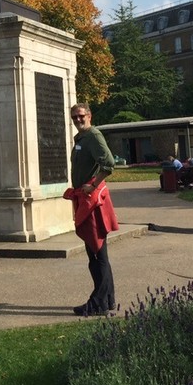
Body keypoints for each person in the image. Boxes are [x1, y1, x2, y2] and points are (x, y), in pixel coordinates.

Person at [66, 103, 118, 317]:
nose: (77, 120)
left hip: (92, 201)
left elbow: (109, 164)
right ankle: (107, 300)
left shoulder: (93, 136)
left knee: (98, 254)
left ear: (89, 115)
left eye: (80, 116)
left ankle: (97, 302)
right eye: (74, 117)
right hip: (84, 198)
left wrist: (93, 184)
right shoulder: (82, 139)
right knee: (96, 253)